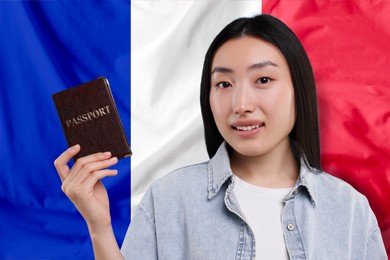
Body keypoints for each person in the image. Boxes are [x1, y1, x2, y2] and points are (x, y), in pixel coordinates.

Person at [54, 14, 387, 259]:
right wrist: (99, 226)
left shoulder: (349, 210)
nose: (241, 105)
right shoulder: (169, 199)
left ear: (298, 89)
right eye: (224, 84)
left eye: (263, 80)